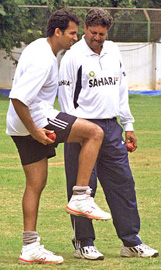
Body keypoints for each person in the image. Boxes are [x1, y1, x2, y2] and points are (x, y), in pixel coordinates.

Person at [6, 8, 111, 265]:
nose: (75, 38)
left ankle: (29, 247)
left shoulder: (40, 47)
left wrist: (30, 130)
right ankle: (80, 196)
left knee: (35, 184)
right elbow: (18, 98)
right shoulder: (43, 59)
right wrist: (36, 131)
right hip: (34, 119)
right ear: (58, 32)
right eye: (72, 33)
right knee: (95, 133)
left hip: (19, 125)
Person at [58, 8, 159, 260]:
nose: (98, 38)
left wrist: (129, 124)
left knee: (123, 184)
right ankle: (83, 242)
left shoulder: (113, 51)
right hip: (82, 129)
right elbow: (65, 99)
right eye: (93, 33)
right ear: (85, 29)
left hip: (112, 128)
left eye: (102, 34)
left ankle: (130, 242)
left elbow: (120, 90)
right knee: (82, 188)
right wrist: (74, 129)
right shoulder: (73, 56)